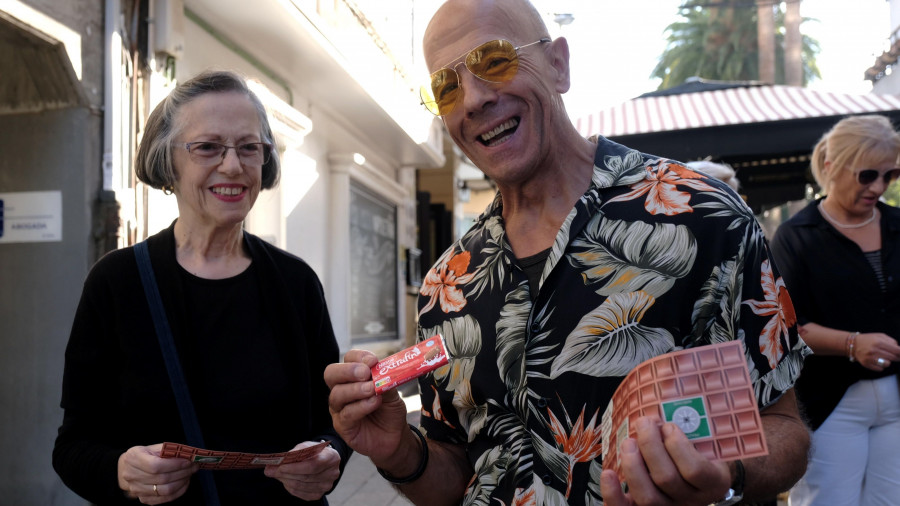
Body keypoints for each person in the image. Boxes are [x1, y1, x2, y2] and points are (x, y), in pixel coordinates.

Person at [325, 1, 810, 505]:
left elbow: (783, 426)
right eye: (446, 87)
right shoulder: (445, 289)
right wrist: (400, 452)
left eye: (494, 60)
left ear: (559, 64)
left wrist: (725, 471)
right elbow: (459, 477)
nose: (471, 99)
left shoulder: (703, 216)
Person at [53, 70, 350, 505]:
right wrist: (121, 471)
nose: (232, 165)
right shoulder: (116, 283)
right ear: (168, 161)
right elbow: (73, 448)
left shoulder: (295, 282)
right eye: (208, 147)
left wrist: (327, 457)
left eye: (250, 147)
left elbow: (333, 422)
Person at [770, 114, 900, 506]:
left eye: (890, 176)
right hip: (828, 401)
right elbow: (785, 325)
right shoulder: (798, 236)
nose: (878, 187)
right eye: (866, 175)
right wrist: (852, 343)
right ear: (831, 167)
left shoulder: (896, 224)